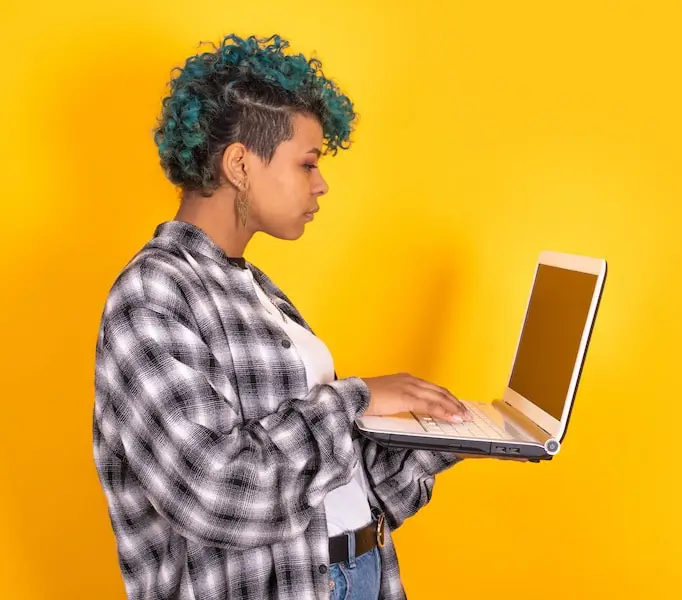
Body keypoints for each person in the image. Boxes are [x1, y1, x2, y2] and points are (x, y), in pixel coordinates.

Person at [92, 33, 475, 600]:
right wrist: (358, 398)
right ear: (240, 163)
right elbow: (222, 495)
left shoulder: (257, 292)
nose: (321, 185)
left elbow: (323, 486)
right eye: (307, 164)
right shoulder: (151, 297)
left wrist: (439, 438)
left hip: (356, 574)